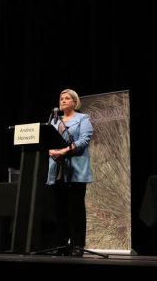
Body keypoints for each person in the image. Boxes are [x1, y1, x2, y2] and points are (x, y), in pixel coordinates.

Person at [46, 89, 93, 257]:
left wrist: (64, 151)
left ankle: (77, 245)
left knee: (76, 208)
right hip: (57, 170)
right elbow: (47, 141)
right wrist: (50, 150)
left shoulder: (83, 119)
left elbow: (83, 141)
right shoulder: (53, 121)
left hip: (76, 169)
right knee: (60, 209)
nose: (63, 100)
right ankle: (61, 245)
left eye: (67, 98)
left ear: (75, 102)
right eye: (61, 98)